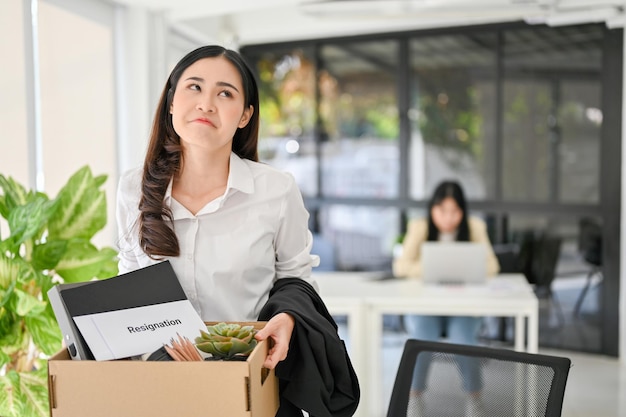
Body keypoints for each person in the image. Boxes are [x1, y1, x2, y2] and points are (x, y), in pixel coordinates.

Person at [116, 45, 358, 416]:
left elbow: (296, 278)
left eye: (225, 93)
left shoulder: (276, 190)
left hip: (251, 384)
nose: (206, 104)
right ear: (170, 102)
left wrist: (288, 318)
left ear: (245, 115)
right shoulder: (133, 188)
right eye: (193, 87)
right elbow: (129, 282)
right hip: (160, 389)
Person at [392, 180, 500, 417]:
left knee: (464, 342)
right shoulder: (420, 227)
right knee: (420, 340)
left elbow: (493, 265)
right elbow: (400, 267)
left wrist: (465, 266)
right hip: (426, 305)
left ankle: (475, 397)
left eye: (455, 211)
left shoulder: (475, 227)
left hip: (462, 306)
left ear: (463, 211)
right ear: (433, 209)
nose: (448, 218)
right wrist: (433, 266)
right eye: (442, 211)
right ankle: (415, 397)